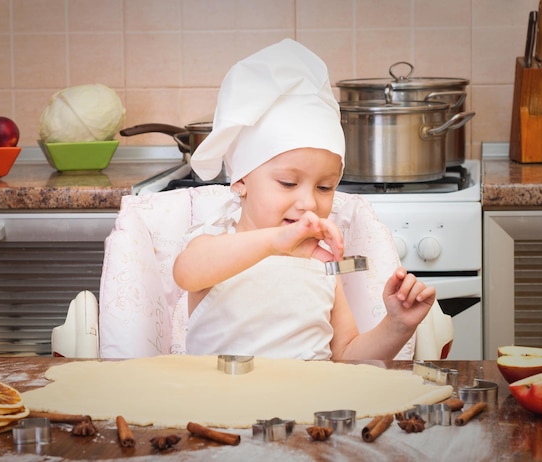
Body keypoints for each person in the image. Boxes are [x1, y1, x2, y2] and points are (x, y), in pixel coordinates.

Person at [173, 39, 436, 361]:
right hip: (224, 406)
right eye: (288, 183)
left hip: (310, 406)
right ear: (241, 180)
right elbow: (186, 273)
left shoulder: (322, 265)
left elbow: (347, 356)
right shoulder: (215, 245)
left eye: (325, 188)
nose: (309, 203)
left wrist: (397, 326)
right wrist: (276, 241)